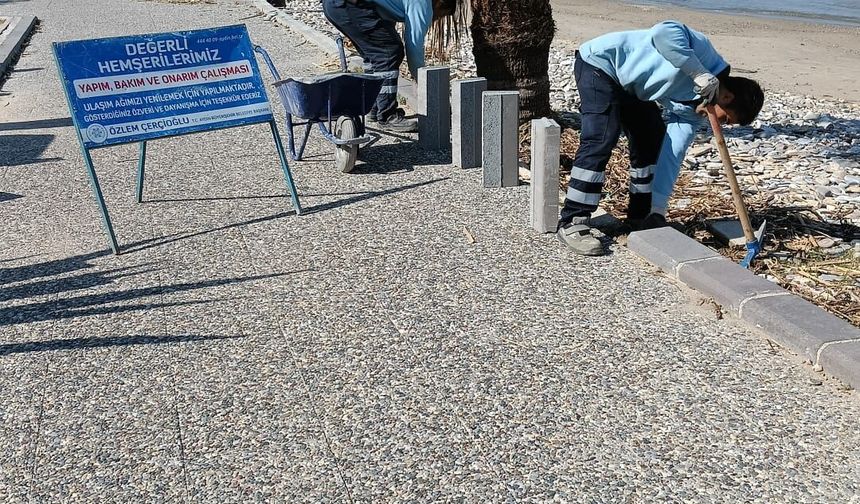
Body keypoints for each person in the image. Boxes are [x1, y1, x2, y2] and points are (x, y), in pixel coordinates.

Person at [557, 20, 764, 256]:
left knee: (651, 138)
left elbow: (671, 155)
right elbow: (663, 32)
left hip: (631, 87)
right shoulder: (705, 55)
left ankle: (642, 216)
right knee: (602, 135)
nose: (720, 125)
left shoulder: (693, 113)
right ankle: (574, 220)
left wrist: (658, 210)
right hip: (601, 64)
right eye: (726, 119)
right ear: (727, 97)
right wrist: (698, 72)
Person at [322, 0, 455, 133]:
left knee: (374, 53)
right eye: (440, 15)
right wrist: (423, 80)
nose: (435, 19)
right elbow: (414, 47)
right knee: (389, 51)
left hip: (335, 6)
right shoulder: (423, 5)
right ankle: (387, 116)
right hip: (348, 5)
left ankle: (373, 107)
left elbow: (384, 24)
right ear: (439, 3)